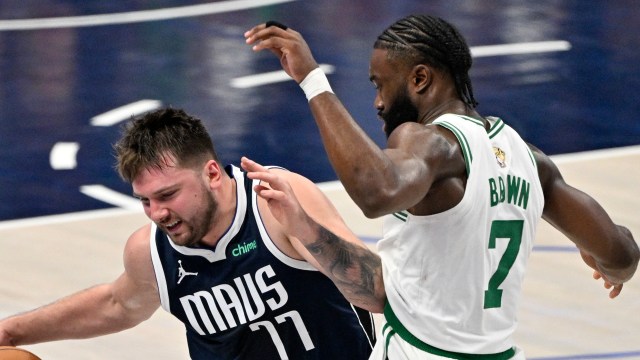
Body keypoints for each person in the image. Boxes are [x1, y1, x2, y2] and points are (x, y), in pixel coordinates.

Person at [245, 15, 640, 360]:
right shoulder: (529, 159)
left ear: (420, 78)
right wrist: (604, 259)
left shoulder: (430, 142)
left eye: (381, 85)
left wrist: (313, 81)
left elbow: (375, 191)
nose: (378, 103)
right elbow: (622, 255)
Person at [0, 108, 385, 359]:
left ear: (212, 174)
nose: (157, 213)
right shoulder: (151, 251)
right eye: (145, 200)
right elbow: (117, 305)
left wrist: (307, 229)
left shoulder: (275, 203)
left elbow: (377, 294)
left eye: (167, 195)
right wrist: (10, 330)